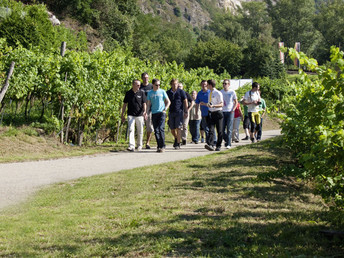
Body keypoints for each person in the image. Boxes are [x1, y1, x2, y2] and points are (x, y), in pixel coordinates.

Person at [121, 79, 147, 152]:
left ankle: (139, 145)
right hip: (131, 114)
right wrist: (122, 114)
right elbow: (125, 104)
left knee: (140, 130)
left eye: (139, 85)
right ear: (133, 85)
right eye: (137, 85)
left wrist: (145, 111)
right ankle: (131, 146)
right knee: (131, 129)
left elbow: (144, 103)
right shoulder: (128, 93)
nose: (139, 86)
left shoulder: (141, 93)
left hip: (140, 115)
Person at [147, 79, 171, 152]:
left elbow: (168, 101)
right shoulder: (150, 93)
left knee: (161, 129)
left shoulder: (162, 91)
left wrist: (165, 109)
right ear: (153, 85)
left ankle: (162, 146)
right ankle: (159, 145)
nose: (158, 86)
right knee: (156, 130)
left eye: (159, 85)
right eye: (156, 85)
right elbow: (148, 103)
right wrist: (147, 112)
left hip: (161, 112)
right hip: (154, 113)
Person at [166, 79, 188, 149]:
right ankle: (176, 138)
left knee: (178, 128)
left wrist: (186, 111)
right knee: (172, 128)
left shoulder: (181, 92)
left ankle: (178, 143)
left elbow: (185, 101)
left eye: (176, 84)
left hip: (179, 112)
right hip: (171, 112)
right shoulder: (168, 92)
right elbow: (165, 102)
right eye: (173, 84)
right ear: (171, 84)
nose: (175, 85)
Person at [204, 79, 223, 151]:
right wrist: (206, 104)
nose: (206, 86)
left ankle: (218, 145)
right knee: (211, 129)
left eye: (207, 85)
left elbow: (221, 104)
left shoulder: (218, 93)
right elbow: (210, 103)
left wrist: (214, 106)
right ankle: (211, 144)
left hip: (218, 112)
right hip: (211, 112)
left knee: (219, 130)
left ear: (210, 85)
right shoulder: (209, 93)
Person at [221, 79, 238, 149]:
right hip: (222, 111)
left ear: (229, 84)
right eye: (223, 83)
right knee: (221, 129)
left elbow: (236, 102)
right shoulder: (221, 92)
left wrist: (233, 109)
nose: (224, 85)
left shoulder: (232, 92)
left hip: (230, 111)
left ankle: (228, 144)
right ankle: (227, 140)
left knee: (229, 128)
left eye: (226, 83)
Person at [140, 72, 154, 149]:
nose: (146, 79)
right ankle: (140, 142)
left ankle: (147, 142)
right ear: (142, 78)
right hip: (140, 109)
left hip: (149, 109)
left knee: (149, 127)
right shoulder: (139, 86)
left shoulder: (151, 87)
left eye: (147, 77)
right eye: (144, 77)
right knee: (140, 126)